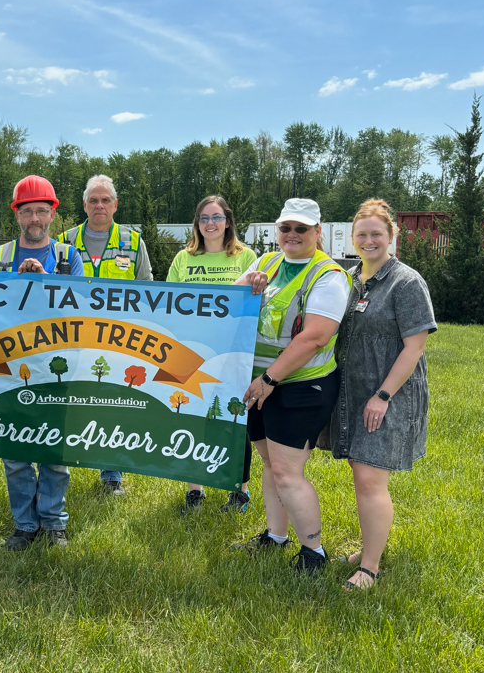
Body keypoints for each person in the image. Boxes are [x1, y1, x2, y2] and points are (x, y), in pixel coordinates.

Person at [234, 198, 352, 573]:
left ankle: (313, 552)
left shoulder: (328, 276)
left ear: (318, 233)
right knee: (269, 465)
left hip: (299, 387)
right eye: (286, 228)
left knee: (287, 471)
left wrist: (270, 379)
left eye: (302, 229)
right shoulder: (266, 262)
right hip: (259, 384)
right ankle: (275, 535)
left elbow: (315, 337)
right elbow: (227, 302)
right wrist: (246, 283)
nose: (292, 235)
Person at [330, 199, 436, 589]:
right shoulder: (349, 278)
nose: (369, 240)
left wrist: (383, 396)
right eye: (362, 234)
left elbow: (415, 347)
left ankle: (369, 568)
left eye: (377, 234)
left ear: (392, 236)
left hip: (388, 393)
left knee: (370, 480)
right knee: (363, 476)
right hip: (354, 392)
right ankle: (369, 547)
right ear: (352, 239)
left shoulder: (407, 283)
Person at [0, 175, 84, 550]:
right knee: (16, 451)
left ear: (52, 214)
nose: (34, 218)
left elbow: (82, 308)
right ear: (16, 214)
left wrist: (47, 281)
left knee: (54, 450)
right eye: (27, 211)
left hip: (57, 369)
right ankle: (25, 523)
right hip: (9, 369)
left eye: (41, 210)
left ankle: (54, 523)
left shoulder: (70, 258)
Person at [57, 174, 152, 496]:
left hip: (117, 339)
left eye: (105, 200)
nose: (99, 205)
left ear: (115, 205)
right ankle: (59, 465)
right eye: (93, 200)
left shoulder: (132, 241)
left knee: (113, 402)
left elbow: (147, 290)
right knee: (66, 401)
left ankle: (112, 475)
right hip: (70, 336)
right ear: (84, 205)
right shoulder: (64, 241)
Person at [166, 195, 259, 513]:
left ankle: (240, 491)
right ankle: (195, 490)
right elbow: (169, 304)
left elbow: (255, 306)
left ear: (228, 221)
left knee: (233, 420)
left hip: (234, 355)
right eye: (204, 218)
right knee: (193, 419)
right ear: (196, 223)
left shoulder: (246, 257)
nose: (210, 224)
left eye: (216, 217)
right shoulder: (183, 259)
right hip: (191, 352)